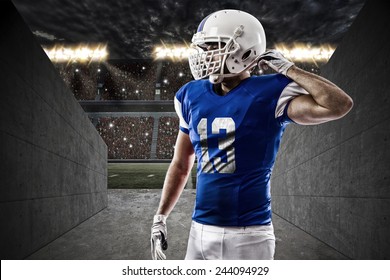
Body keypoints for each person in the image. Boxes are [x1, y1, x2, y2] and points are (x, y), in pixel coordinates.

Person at [151, 9, 353, 260]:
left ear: (245, 50)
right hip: (199, 230)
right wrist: (160, 216)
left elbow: (338, 104)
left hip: (249, 235)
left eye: (214, 47)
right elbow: (181, 165)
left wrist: (290, 69)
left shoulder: (270, 91)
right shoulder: (189, 95)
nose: (205, 55)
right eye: (204, 48)